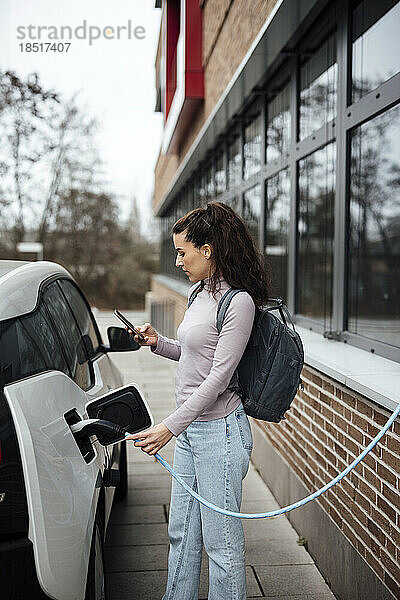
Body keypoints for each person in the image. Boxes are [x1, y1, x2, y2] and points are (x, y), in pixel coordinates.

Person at [125, 201, 271, 600]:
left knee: (221, 546)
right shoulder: (198, 293)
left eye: (182, 252)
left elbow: (218, 379)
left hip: (218, 436)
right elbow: (193, 354)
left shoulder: (238, 302)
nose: (177, 261)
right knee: (181, 535)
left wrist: (169, 426)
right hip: (191, 433)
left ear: (208, 250)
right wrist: (159, 344)